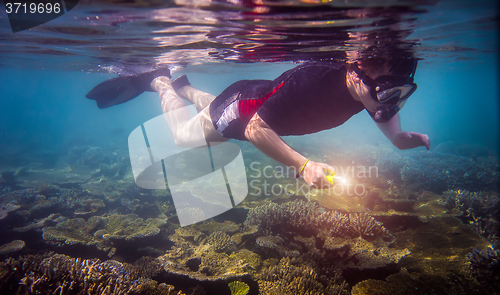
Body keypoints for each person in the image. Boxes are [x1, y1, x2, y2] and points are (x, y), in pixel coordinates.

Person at [86, 57, 430, 188]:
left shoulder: (367, 90)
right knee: (182, 136)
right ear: (356, 75)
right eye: (387, 91)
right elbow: (254, 130)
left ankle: (185, 87)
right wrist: (304, 164)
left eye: (403, 92)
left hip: (251, 97)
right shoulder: (313, 81)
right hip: (242, 112)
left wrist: (398, 138)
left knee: (212, 112)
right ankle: (160, 80)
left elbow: (381, 110)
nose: (393, 101)